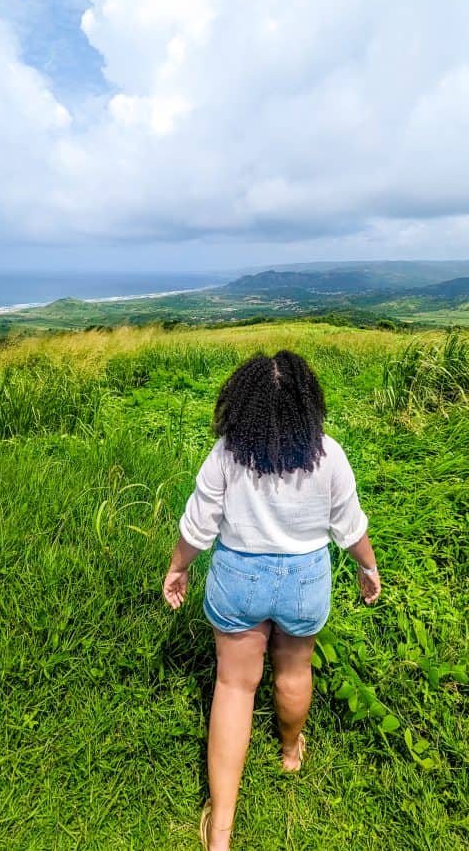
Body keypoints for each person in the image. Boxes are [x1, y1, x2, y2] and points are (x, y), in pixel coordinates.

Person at [162, 349, 380, 851]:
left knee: (235, 687)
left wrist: (178, 568)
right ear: (309, 405)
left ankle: (220, 831)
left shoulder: (227, 454)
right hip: (305, 580)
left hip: (238, 577)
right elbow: (350, 528)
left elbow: (198, 526)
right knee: (293, 672)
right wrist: (368, 569)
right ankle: (289, 754)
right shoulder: (329, 455)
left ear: (242, 405)